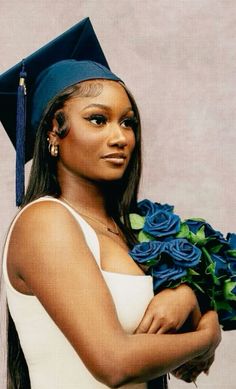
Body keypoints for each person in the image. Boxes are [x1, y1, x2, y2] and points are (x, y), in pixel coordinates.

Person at [0, 18, 221, 389]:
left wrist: (188, 295)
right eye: (98, 120)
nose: (120, 137)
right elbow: (114, 363)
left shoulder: (126, 227)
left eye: (128, 122)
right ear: (54, 132)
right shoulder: (46, 222)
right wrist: (206, 337)